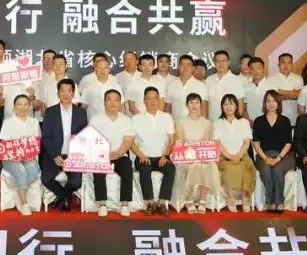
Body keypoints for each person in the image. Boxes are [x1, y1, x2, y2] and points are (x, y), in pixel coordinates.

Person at [40, 79, 86, 210]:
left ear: (73, 93)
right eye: (62, 91)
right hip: (54, 154)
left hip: (73, 156)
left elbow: (83, 137)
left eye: (68, 91)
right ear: (58, 94)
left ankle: (62, 197)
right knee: (46, 179)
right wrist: (55, 156)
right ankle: (65, 196)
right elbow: (46, 137)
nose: (65, 94)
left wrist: (74, 155)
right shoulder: (50, 112)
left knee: (76, 182)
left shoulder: (81, 112)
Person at [89, 89, 135, 217]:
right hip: (101, 155)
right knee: (98, 169)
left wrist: (118, 153)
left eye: (116, 100)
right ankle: (102, 204)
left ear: (120, 103)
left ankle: (124, 204)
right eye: (109, 99)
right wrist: (104, 154)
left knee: (127, 168)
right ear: (104, 102)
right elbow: (92, 139)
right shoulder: (96, 119)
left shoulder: (126, 120)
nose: (113, 103)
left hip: (120, 155)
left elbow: (128, 141)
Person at [132, 87, 176, 215]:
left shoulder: (167, 117)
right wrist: (141, 155)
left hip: (162, 157)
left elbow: (171, 140)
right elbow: (131, 142)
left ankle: (162, 202)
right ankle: (150, 203)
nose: (152, 101)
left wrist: (165, 156)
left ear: (159, 100)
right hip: (143, 157)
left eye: (155, 98)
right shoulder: (136, 118)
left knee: (170, 168)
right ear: (144, 101)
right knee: (145, 168)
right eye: (149, 98)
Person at [174, 93, 219, 213]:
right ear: (187, 105)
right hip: (186, 156)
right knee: (191, 165)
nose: (194, 105)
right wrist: (189, 156)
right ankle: (189, 200)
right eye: (191, 102)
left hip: (201, 155)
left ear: (200, 105)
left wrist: (202, 156)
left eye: (197, 102)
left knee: (208, 165)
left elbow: (206, 142)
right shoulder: (180, 122)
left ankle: (202, 200)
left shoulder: (207, 123)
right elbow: (180, 142)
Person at [252, 90, 294, 213]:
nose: (271, 104)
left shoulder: (285, 120)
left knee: (277, 170)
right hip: (263, 155)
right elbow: (256, 143)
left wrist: (278, 158)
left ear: (279, 103)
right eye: (268, 101)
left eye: (274, 101)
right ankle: (270, 201)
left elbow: (288, 143)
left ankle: (279, 201)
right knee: (266, 170)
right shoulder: (258, 121)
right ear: (264, 103)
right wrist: (265, 158)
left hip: (284, 156)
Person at [0, 94, 41, 215]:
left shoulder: (34, 122)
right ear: (14, 107)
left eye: (25, 104)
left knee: (32, 169)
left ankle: (20, 191)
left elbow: (36, 142)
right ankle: (24, 203)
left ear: (29, 107)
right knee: (21, 171)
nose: (22, 107)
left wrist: (32, 154)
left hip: (29, 156)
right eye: (19, 104)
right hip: (11, 157)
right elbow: (4, 144)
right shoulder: (8, 122)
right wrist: (12, 156)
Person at [213, 94, 255, 212]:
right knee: (229, 168)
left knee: (244, 167)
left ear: (236, 106)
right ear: (222, 107)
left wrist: (239, 155)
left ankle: (245, 197)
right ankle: (230, 198)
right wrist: (230, 156)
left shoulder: (244, 122)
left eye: (231, 104)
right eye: (225, 104)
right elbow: (218, 144)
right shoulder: (217, 123)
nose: (228, 107)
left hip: (242, 155)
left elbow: (247, 142)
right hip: (224, 156)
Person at [164, 55, 208, 120]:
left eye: (188, 65)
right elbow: (168, 108)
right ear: (178, 67)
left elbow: (204, 108)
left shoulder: (200, 85)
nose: (185, 67)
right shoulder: (172, 85)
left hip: (194, 123)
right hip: (176, 123)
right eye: (182, 64)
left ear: (193, 68)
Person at [265, 53, 303, 125]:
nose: (286, 65)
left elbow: (299, 96)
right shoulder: (271, 78)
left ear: (292, 64)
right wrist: (293, 92)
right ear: (278, 65)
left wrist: (280, 91)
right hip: (276, 118)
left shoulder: (298, 78)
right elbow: (274, 98)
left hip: (294, 118)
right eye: (283, 63)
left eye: (289, 63)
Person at [206, 50, 246, 120]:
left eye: (223, 61)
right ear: (214, 63)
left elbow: (240, 103)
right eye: (218, 61)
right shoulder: (209, 79)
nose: (220, 64)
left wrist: (236, 121)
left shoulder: (236, 80)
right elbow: (206, 102)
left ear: (228, 62)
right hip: (212, 121)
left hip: (230, 122)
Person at [243, 57, 270, 122]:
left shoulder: (272, 86)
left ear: (263, 69)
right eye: (252, 69)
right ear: (249, 70)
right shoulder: (245, 87)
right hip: (249, 123)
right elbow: (244, 107)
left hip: (267, 123)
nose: (255, 72)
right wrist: (249, 121)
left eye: (258, 68)